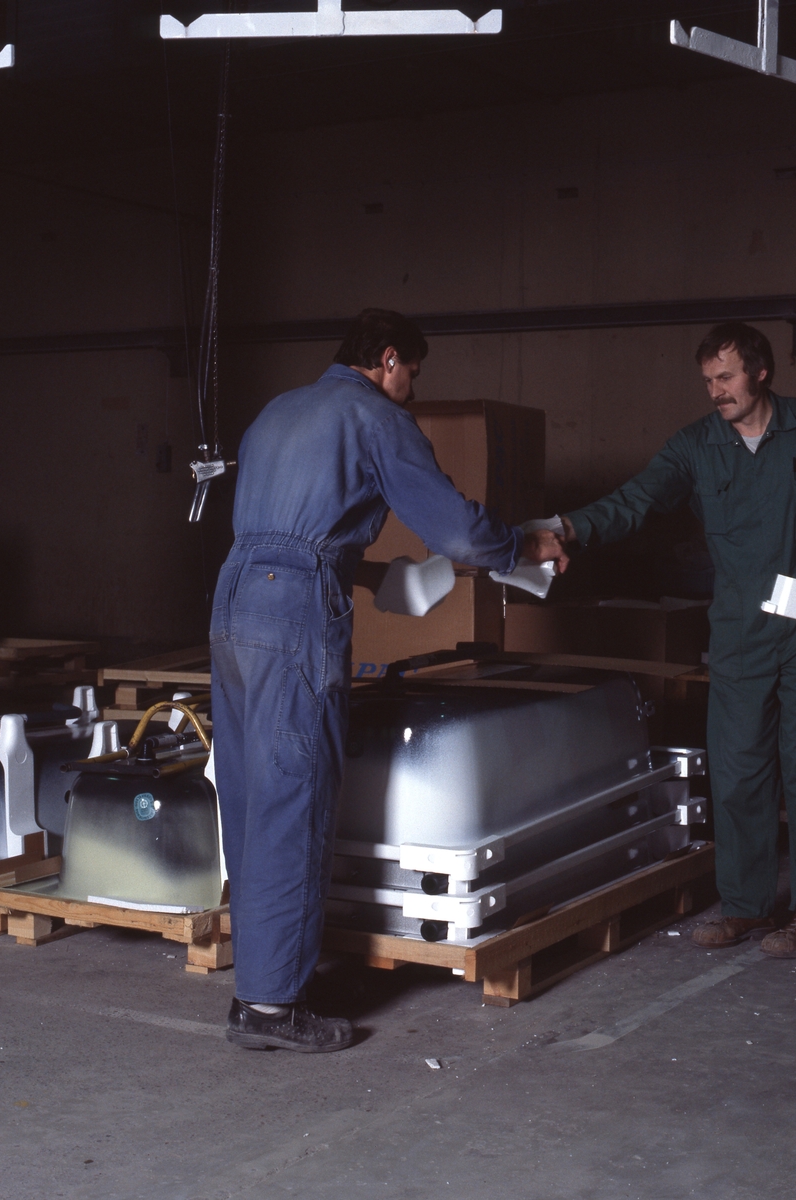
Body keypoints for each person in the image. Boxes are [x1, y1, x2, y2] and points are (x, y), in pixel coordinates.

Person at [211, 308, 558, 1052]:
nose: (412, 390)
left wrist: (366, 574)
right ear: (389, 359)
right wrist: (521, 546)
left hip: (234, 597)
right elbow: (455, 530)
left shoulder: (278, 412)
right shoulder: (373, 415)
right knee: (296, 792)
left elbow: (284, 533)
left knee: (250, 793)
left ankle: (255, 988)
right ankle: (272, 1008)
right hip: (294, 609)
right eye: (413, 374)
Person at [554, 322, 796, 958]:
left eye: (726, 377)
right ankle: (746, 905)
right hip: (739, 634)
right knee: (737, 772)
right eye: (708, 380)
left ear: (761, 372)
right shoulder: (696, 446)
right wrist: (567, 528)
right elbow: (636, 500)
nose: (716, 391)